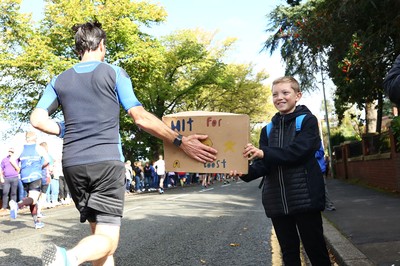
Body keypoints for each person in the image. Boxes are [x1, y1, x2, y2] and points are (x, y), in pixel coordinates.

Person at [30, 21, 217, 266]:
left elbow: (37, 119)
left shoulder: (59, 80)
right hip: (106, 163)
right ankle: (67, 258)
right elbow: (139, 116)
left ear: (78, 49)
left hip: (73, 164)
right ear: (101, 45)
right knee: (109, 238)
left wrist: (65, 128)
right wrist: (180, 141)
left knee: (100, 239)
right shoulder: (114, 72)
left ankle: (70, 258)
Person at [239, 76, 331, 265]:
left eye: (285, 93)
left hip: (305, 198)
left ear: (298, 96)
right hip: (276, 202)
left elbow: (298, 152)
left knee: (316, 252)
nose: (279, 98)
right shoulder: (267, 130)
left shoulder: (307, 121)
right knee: (289, 254)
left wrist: (264, 152)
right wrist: (241, 171)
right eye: (275, 94)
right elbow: (264, 165)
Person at [9, 131, 50, 229]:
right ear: (35, 138)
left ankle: (37, 222)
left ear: (26, 138)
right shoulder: (38, 148)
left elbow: (11, 160)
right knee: (33, 198)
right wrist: (40, 166)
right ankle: (18, 205)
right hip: (35, 175)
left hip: (24, 175)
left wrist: (18, 169)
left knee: (31, 199)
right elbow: (47, 160)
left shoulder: (21, 148)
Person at [0, 147, 20, 214]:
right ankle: (4, 207)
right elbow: (1, 169)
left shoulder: (17, 159)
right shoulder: (4, 160)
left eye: (12, 151)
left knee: (13, 193)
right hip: (6, 178)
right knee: (5, 192)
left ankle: (13, 207)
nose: (10, 153)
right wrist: (1, 177)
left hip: (15, 177)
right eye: (10, 151)